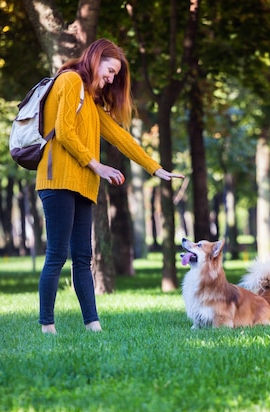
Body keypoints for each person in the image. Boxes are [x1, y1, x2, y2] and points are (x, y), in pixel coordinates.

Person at [36, 38, 184, 334]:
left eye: (116, 74)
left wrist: (155, 169)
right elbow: (64, 132)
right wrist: (97, 165)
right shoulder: (69, 81)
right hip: (58, 180)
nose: (112, 78)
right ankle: (47, 327)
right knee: (57, 255)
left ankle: (93, 326)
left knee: (82, 258)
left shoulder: (90, 102)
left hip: (83, 185)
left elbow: (121, 137)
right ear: (96, 58)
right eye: (111, 70)